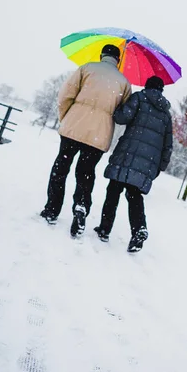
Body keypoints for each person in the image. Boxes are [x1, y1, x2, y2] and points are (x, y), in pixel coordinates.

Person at [40, 44, 131, 237]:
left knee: (61, 167)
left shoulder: (87, 68)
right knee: (86, 173)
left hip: (74, 127)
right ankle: (81, 207)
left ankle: (52, 210)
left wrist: (67, 117)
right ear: (118, 60)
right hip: (99, 135)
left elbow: (65, 95)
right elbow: (124, 113)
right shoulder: (124, 82)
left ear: (102, 55)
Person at [94, 75, 173, 252]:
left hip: (126, 155)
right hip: (147, 164)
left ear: (147, 86)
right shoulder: (166, 114)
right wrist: (159, 167)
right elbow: (168, 145)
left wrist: (118, 106)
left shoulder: (139, 98)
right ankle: (139, 229)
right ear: (161, 90)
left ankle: (105, 229)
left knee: (113, 191)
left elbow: (122, 117)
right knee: (134, 196)